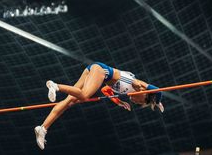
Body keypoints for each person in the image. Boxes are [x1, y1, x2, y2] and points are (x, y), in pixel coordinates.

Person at [34, 62, 164, 149]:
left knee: (69, 101)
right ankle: (56, 86)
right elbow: (157, 90)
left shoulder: (127, 93)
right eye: (139, 102)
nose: (135, 102)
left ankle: (43, 128)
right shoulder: (138, 85)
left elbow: (105, 90)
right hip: (101, 71)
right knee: (84, 96)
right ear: (143, 94)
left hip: (95, 70)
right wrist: (157, 102)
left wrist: (119, 102)